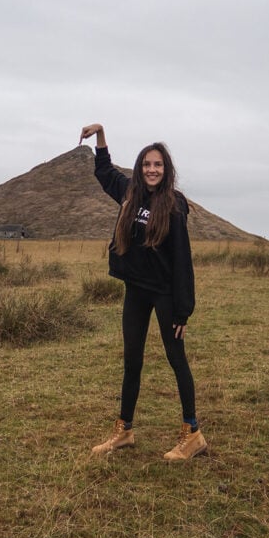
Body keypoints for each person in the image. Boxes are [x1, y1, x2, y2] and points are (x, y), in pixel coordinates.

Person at [78, 123, 207, 461]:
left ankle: (192, 433)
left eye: (158, 165)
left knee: (176, 359)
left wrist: (183, 310)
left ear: (166, 170)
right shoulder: (129, 194)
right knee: (131, 361)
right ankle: (124, 432)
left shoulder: (174, 205)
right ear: (140, 168)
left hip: (165, 294)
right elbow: (104, 171)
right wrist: (102, 134)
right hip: (137, 290)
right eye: (147, 164)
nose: (152, 170)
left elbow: (182, 259)